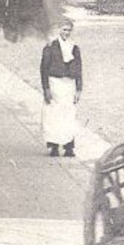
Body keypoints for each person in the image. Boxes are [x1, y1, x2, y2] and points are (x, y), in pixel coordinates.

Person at [40, 19, 83, 157]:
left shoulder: (74, 47)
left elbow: (79, 69)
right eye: (64, 29)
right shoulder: (50, 46)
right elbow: (44, 69)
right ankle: (53, 146)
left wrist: (78, 89)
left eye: (69, 30)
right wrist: (46, 89)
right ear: (59, 29)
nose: (66, 33)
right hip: (55, 83)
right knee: (53, 115)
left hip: (69, 84)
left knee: (69, 115)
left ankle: (69, 147)